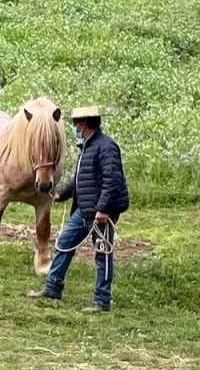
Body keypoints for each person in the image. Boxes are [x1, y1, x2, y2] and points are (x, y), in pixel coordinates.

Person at [27, 106, 129, 312]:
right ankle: (52, 287)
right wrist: (62, 195)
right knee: (64, 243)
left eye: (75, 123)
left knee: (103, 254)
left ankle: (102, 300)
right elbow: (81, 180)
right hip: (84, 211)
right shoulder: (89, 146)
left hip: (100, 213)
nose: (74, 127)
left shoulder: (106, 147)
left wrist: (103, 209)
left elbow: (112, 181)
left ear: (83, 123)